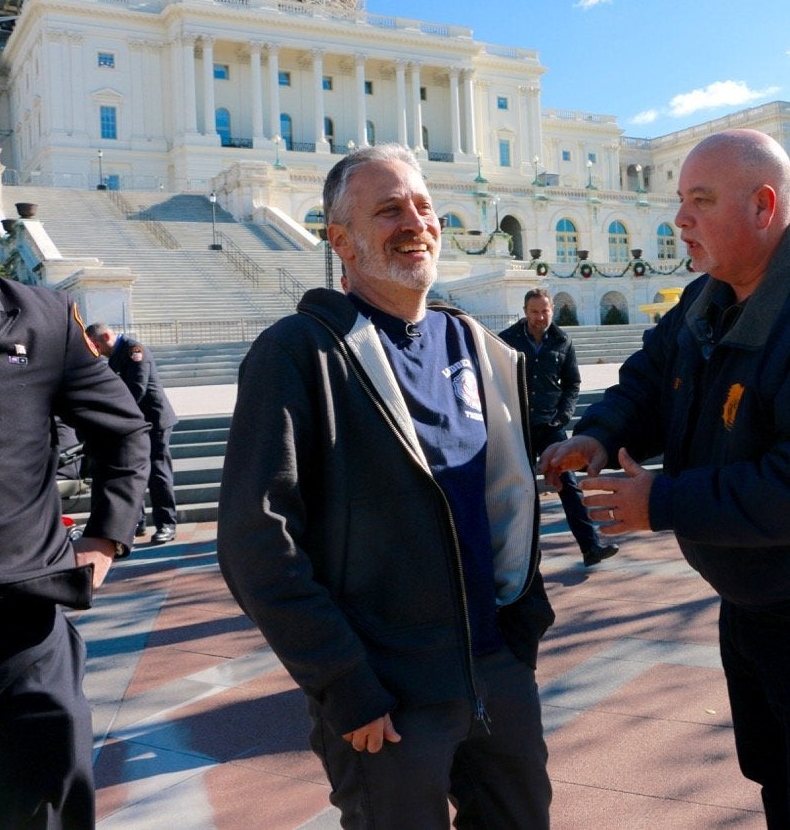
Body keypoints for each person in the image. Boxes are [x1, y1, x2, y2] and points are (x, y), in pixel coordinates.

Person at [540, 129, 790, 827]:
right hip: (753, 592)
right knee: (778, 777)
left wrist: (663, 502)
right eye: (681, 200)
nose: (679, 219)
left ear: (764, 205)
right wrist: (600, 433)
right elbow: (648, 383)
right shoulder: (708, 297)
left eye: (700, 201)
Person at [217, 143, 554, 829]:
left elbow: (507, 501)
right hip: (388, 697)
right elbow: (257, 540)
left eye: (424, 206)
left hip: (495, 668)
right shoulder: (297, 353)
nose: (415, 222)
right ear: (339, 240)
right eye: (389, 209)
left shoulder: (476, 346)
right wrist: (346, 684)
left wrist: (523, 631)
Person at [0, 278, 151, 826]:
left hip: (20, 625)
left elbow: (125, 431)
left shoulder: (40, 317)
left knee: (48, 801)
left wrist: (107, 536)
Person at [500, 288, 618, 566]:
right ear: (525, 311)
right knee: (518, 488)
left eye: (545, 311)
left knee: (569, 485)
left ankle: (591, 547)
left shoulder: (563, 340)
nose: (540, 317)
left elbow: (572, 383)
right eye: (534, 311)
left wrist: (564, 416)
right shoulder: (506, 340)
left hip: (552, 425)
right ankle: (516, 557)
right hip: (520, 425)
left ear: (552, 309)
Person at [85, 322, 179, 543]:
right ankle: (137, 522)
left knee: (157, 472)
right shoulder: (114, 356)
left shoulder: (134, 350)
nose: (96, 350)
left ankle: (166, 524)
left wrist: (114, 415)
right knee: (133, 472)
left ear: (107, 335)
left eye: (97, 345)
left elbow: (136, 389)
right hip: (133, 424)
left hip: (154, 421)